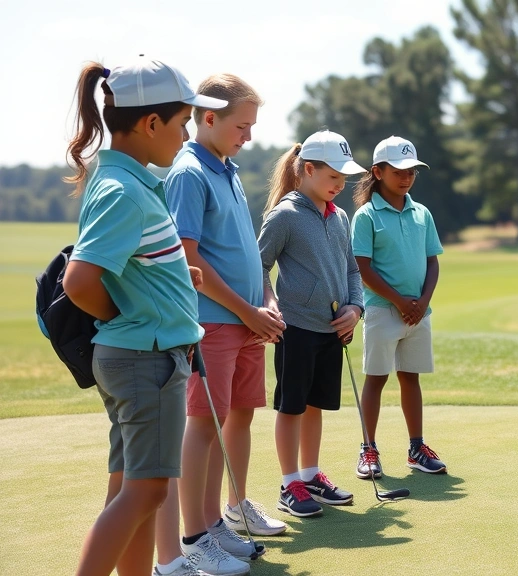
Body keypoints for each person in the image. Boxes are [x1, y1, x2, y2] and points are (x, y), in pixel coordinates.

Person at [60, 57, 226, 576]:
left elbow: (131, 268)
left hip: (139, 356)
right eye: (182, 125)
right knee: (146, 491)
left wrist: (173, 286)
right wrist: (135, 315)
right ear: (151, 124)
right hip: (143, 357)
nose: (185, 137)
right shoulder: (123, 190)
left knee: (133, 490)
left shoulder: (127, 182)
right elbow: (81, 282)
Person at [165, 73, 286, 574]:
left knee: (229, 421)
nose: (249, 135)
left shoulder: (227, 168)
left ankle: (214, 522)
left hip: (244, 320)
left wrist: (266, 300)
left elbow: (242, 253)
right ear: (208, 118)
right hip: (214, 323)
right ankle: (194, 536)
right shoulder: (189, 172)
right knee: (203, 425)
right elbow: (189, 261)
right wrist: (245, 310)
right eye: (242, 125)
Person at [258, 130, 365, 518]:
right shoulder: (285, 215)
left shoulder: (339, 218)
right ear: (307, 170)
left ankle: (310, 474)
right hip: (296, 328)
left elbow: (352, 269)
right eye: (333, 176)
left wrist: (356, 309)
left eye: (344, 178)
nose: (339, 185)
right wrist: (270, 303)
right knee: (292, 408)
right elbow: (259, 265)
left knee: (315, 405)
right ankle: (290, 484)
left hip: (331, 329)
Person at [349, 136, 446, 480]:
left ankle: (416, 448)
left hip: (418, 312)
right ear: (378, 171)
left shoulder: (422, 212)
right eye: (399, 171)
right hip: (381, 311)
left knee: (411, 378)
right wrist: (400, 301)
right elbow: (363, 268)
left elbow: (432, 262)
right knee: (376, 380)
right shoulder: (365, 215)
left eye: (412, 171)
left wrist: (422, 303)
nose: (406, 177)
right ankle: (368, 449)